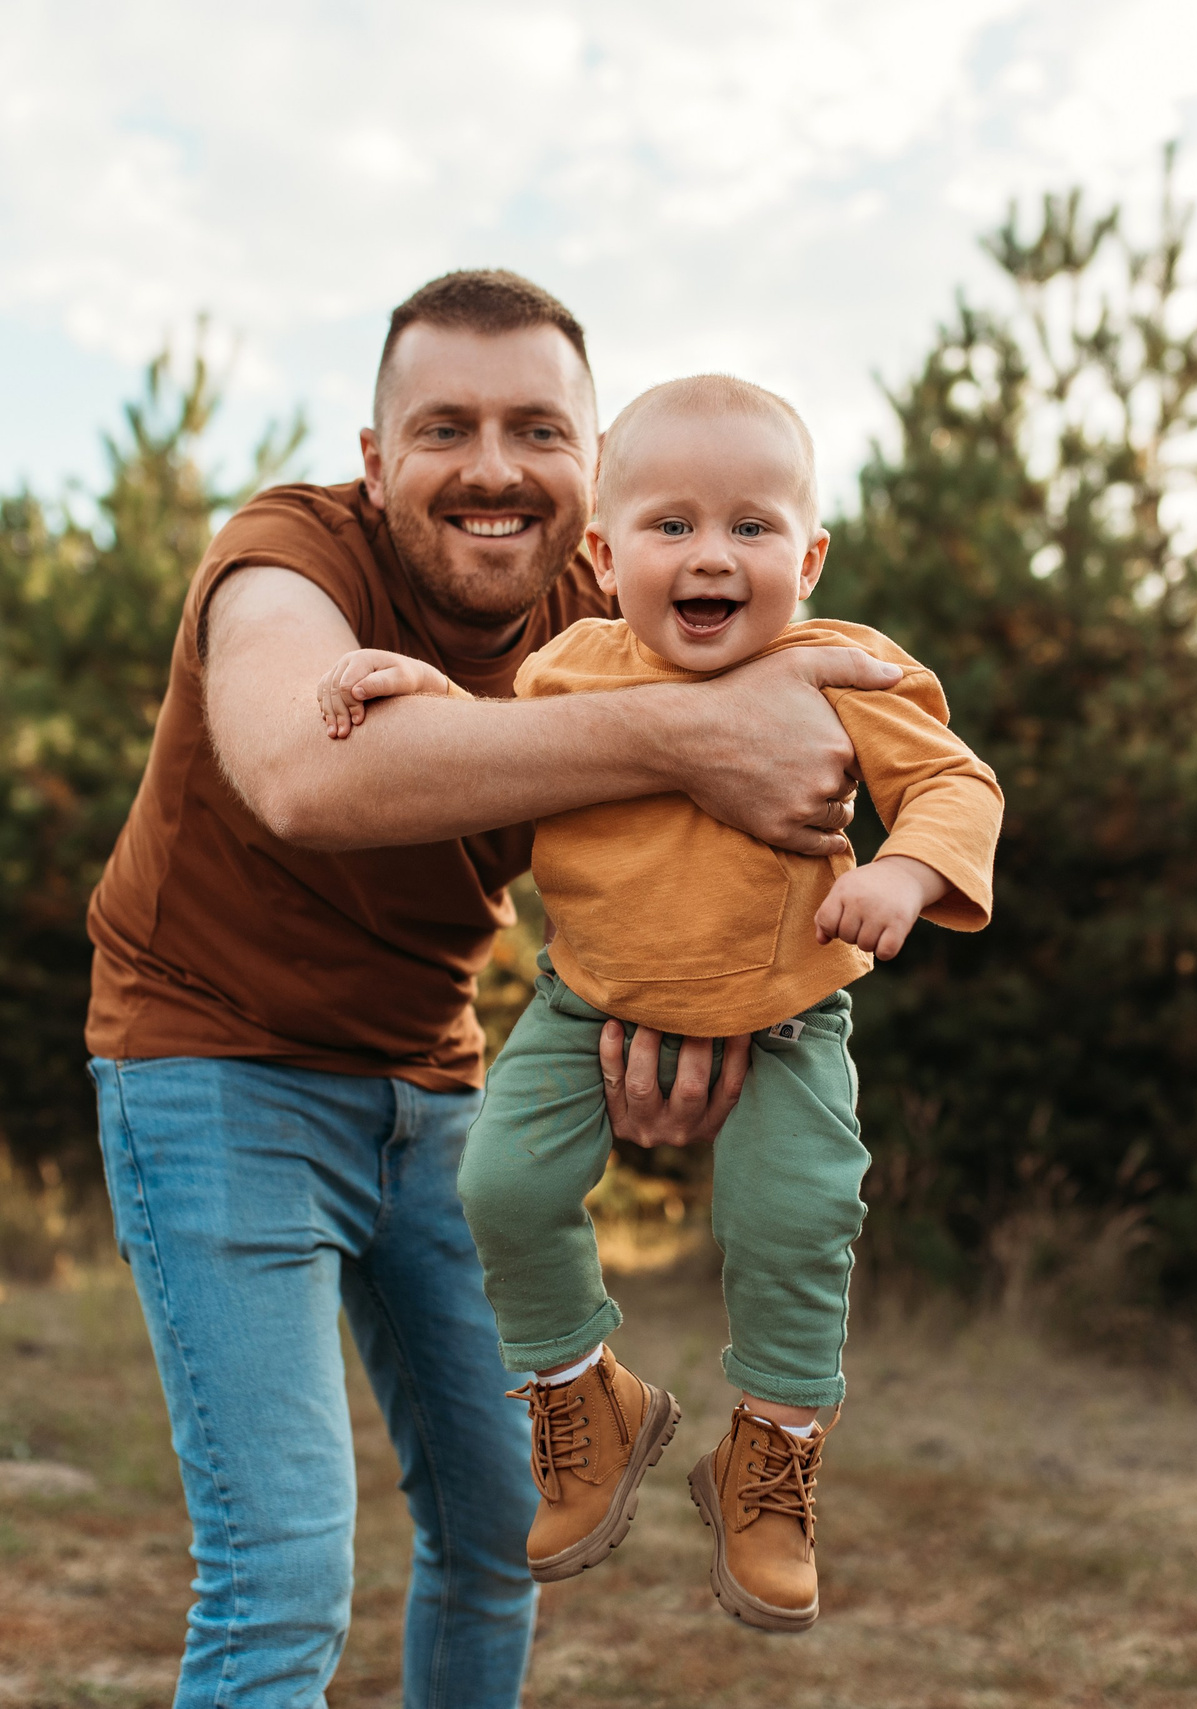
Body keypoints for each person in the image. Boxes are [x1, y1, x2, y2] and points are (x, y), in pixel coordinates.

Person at [85, 274, 905, 1709]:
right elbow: (303, 774)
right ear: (374, 458)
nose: (491, 468)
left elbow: (711, 845)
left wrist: (684, 1030)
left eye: (536, 429)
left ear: (591, 472)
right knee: (280, 1575)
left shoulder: (623, 604)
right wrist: (687, 736)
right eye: (443, 428)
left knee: (501, 1534)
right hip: (213, 1065)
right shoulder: (288, 556)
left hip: (436, 1081)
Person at [313, 375, 1003, 1634]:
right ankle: (584, 1394)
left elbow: (958, 785)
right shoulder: (572, 666)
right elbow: (496, 752)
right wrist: (418, 691)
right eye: (671, 524)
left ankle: (769, 1457)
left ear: (809, 557)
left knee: (797, 1212)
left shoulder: (839, 667)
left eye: (751, 526)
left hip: (786, 1014)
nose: (711, 555)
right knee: (498, 1186)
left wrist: (905, 869)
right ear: (602, 553)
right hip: (584, 1005)